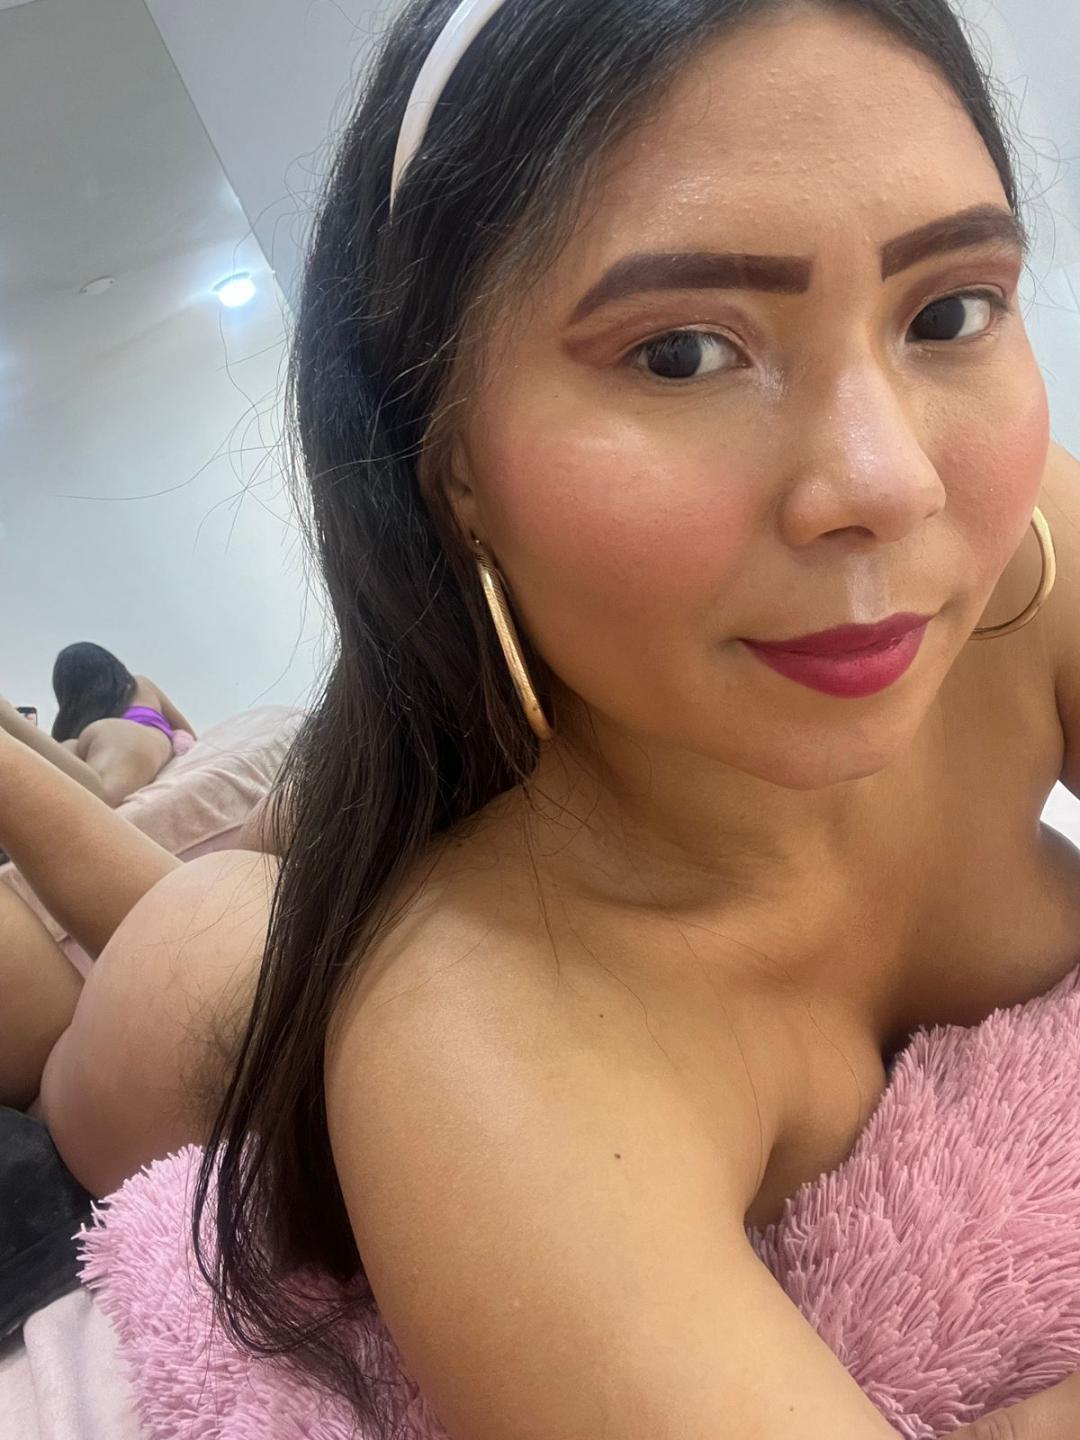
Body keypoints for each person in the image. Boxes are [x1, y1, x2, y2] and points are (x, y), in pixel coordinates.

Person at [26, 0, 1080, 1433]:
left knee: (264, 799)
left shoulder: (1035, 542)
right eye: (681, 353)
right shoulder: (474, 1029)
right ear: (450, 456)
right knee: (177, 936)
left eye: (947, 313)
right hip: (173, 1006)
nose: (889, 482)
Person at [0, 643, 196, 809]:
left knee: (93, 796)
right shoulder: (139, 687)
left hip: (113, 740)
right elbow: (189, 734)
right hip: (128, 739)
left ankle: (7, 716)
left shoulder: (102, 726)